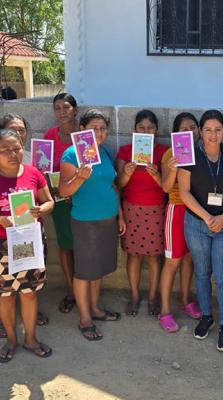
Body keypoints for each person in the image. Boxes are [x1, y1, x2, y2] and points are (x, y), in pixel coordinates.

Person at [0, 129, 55, 363]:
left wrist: (41, 209)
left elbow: (49, 202)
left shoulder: (33, 173)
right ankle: (12, 339)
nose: (13, 154)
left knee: (29, 293)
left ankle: (31, 339)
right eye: (5, 150)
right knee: (5, 295)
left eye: (16, 149)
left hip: (29, 240)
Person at [178, 109, 223, 352]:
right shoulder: (189, 154)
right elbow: (184, 192)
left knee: (222, 276)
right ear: (200, 131)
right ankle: (207, 316)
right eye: (207, 130)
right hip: (197, 224)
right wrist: (207, 217)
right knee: (201, 272)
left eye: (218, 129)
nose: (213, 134)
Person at [59, 109, 124, 341]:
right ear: (82, 130)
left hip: (108, 219)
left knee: (98, 269)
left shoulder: (104, 152)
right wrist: (80, 177)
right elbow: (63, 190)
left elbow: (112, 185)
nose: (99, 133)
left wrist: (120, 215)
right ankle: (85, 318)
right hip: (86, 221)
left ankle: (95, 308)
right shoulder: (71, 154)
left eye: (103, 128)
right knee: (84, 271)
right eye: (94, 128)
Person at [116, 109, 169, 316]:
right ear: (134, 130)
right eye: (141, 128)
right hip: (131, 209)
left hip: (156, 210)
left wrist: (156, 174)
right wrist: (127, 173)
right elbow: (119, 184)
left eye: (150, 128)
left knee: (155, 257)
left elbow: (167, 186)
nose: (146, 132)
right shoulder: (125, 151)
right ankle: (135, 296)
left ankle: (153, 297)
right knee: (134, 255)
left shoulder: (164, 151)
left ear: (156, 130)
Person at [158, 112, 203, 332]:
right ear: (176, 133)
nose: (189, 132)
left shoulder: (203, 152)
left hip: (197, 212)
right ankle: (165, 310)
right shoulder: (170, 154)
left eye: (193, 127)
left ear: (199, 131)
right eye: (184, 129)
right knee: (172, 262)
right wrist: (174, 169)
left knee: (188, 259)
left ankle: (186, 300)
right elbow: (166, 188)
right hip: (177, 210)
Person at [43, 93, 79, 314]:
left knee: (84, 246)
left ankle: (85, 289)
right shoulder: (49, 136)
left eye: (66, 107)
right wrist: (53, 189)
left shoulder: (84, 135)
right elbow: (43, 168)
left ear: (75, 109)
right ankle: (71, 291)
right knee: (66, 246)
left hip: (83, 199)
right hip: (60, 199)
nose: (62, 112)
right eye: (57, 108)